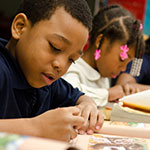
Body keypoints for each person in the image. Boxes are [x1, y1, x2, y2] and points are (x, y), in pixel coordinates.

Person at [0, 0, 104, 142]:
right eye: (55, 47)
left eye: (71, 59)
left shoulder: (46, 82)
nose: (60, 66)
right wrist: (37, 128)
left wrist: (88, 105)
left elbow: (77, 97)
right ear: (20, 27)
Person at [62, 4, 145, 105]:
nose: (123, 68)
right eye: (122, 59)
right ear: (100, 41)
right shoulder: (72, 68)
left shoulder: (104, 76)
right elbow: (67, 94)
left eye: (128, 63)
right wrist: (107, 94)